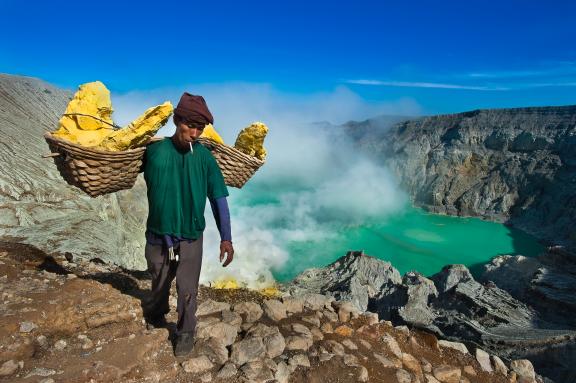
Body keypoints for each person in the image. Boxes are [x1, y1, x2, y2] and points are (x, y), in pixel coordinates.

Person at [141, 92, 234, 357]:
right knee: (159, 280)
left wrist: (226, 238)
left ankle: (185, 332)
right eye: (189, 125)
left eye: (199, 128)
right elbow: (118, 166)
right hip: (159, 234)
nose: (194, 133)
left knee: (187, 288)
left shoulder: (205, 159)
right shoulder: (153, 151)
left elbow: (218, 199)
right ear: (176, 120)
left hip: (191, 236)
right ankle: (157, 311)